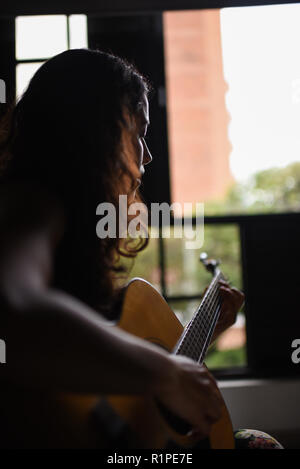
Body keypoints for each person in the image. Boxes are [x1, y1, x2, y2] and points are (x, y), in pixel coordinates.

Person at [0, 48, 281, 449]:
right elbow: (12, 312)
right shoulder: (29, 204)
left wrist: (194, 340)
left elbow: (99, 368)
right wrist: (165, 372)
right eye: (140, 132)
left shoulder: (62, 221)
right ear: (97, 129)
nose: (147, 154)